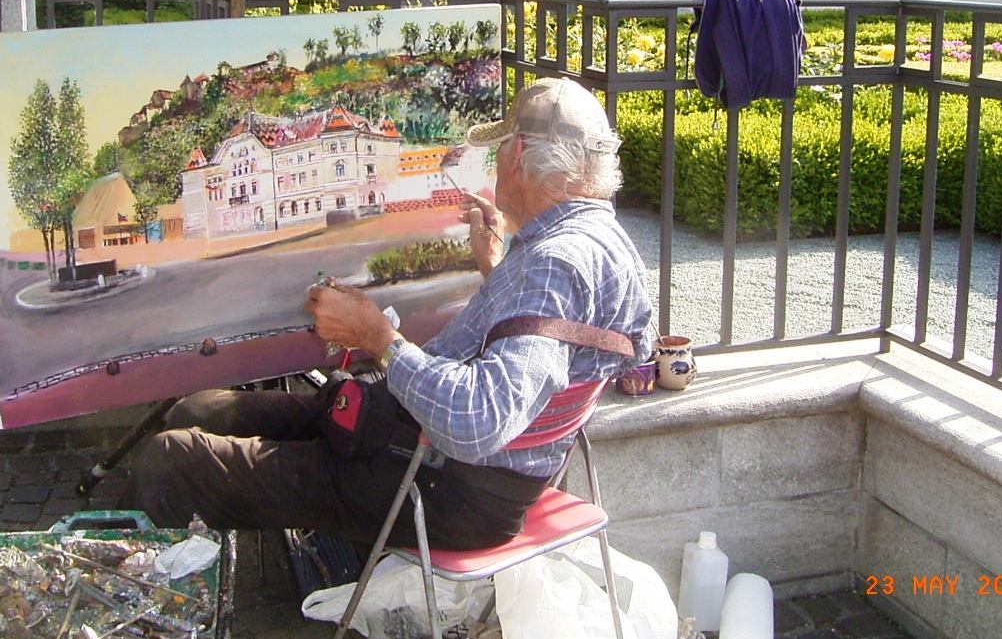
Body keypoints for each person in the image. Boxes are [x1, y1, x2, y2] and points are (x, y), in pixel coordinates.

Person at [132, 77, 654, 550]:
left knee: (171, 464)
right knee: (197, 412)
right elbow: (571, 349)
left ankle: (167, 598)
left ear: (516, 156)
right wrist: (495, 270)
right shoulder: (608, 244)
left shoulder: (553, 263)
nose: (495, 164)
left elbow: (476, 423)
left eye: (498, 151)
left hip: (438, 481)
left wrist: (377, 336)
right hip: (424, 442)